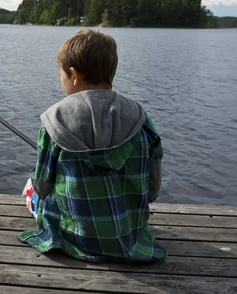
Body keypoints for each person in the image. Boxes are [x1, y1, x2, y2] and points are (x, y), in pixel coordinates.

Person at [18, 28, 167, 263]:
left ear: (74, 74)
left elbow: (43, 187)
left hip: (76, 238)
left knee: (31, 187)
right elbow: (153, 189)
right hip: (129, 238)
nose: (61, 80)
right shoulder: (142, 118)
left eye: (61, 74)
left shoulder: (53, 119)